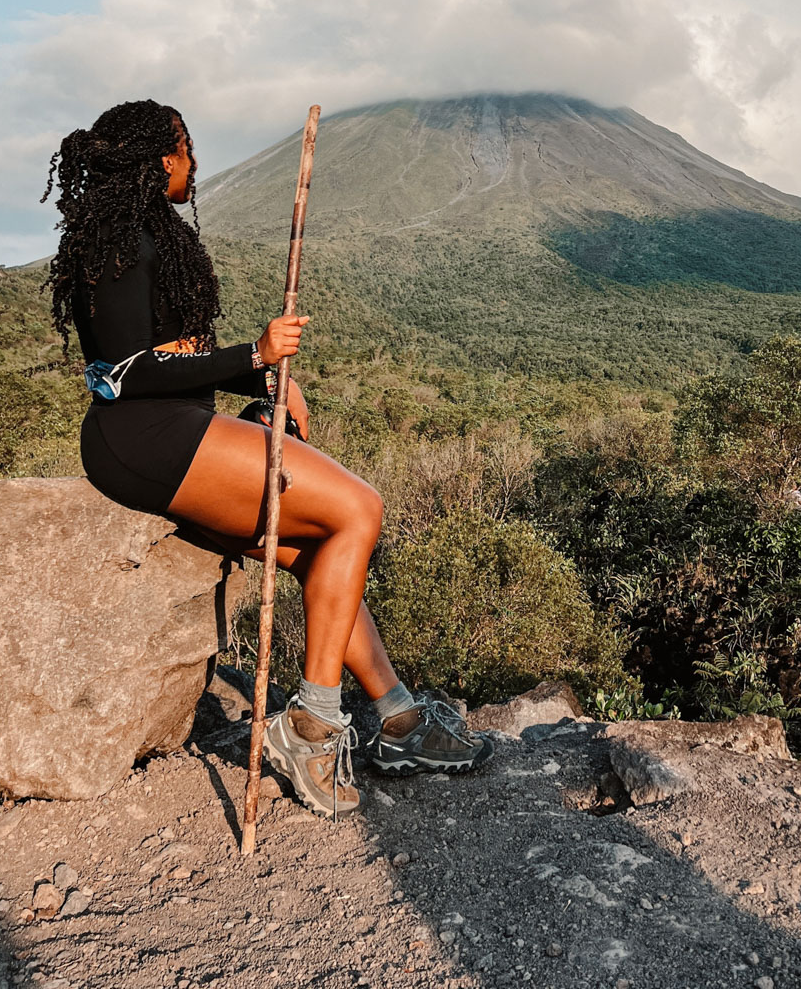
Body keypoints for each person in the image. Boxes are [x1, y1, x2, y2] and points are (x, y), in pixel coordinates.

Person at [42, 98, 491, 818]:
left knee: (321, 547)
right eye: (187, 150)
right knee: (358, 508)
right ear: (163, 160)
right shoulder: (119, 240)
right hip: (141, 440)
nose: (195, 164)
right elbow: (121, 374)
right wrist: (253, 353)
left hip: (175, 427)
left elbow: (177, 360)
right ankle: (312, 725)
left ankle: (398, 719)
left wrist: (262, 379)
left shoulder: (155, 236)